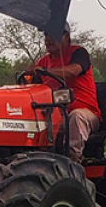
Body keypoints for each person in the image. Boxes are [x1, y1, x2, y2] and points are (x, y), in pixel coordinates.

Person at [29, 27, 101, 162]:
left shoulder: (78, 53)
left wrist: (45, 71)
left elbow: (74, 71)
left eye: (53, 34)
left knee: (76, 116)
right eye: (46, 35)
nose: (48, 39)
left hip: (85, 111)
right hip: (55, 115)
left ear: (66, 37)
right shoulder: (42, 62)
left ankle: (72, 159)